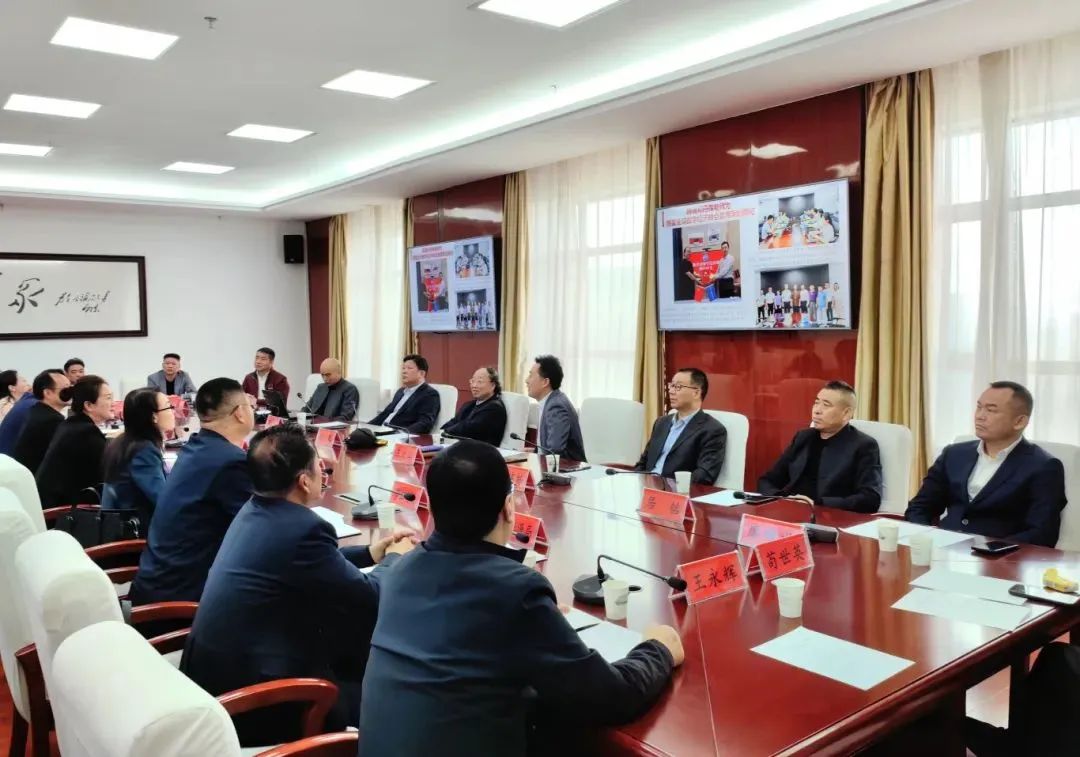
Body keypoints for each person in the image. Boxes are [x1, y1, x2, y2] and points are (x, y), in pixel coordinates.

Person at [359, 440, 682, 756]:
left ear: (432, 507)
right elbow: (609, 697)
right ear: (508, 508)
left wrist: (539, 623)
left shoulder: (399, 571)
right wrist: (658, 649)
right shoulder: (515, 591)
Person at [181, 425, 415, 744]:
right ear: (304, 481)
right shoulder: (303, 529)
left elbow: (311, 562)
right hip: (260, 702)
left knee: (349, 642)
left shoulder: (254, 509)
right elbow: (370, 597)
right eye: (320, 466)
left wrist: (371, 553)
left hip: (216, 676)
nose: (324, 472)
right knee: (387, 688)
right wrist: (396, 558)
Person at [130, 378, 255, 605]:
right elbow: (258, 527)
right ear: (239, 413)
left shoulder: (195, 447)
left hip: (157, 584)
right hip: (183, 600)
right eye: (250, 406)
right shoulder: (231, 462)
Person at [905, 381, 1066, 547]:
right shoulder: (954, 454)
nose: (980, 416)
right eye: (979, 407)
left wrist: (987, 551)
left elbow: (1042, 534)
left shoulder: (1044, 467)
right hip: (941, 549)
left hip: (999, 557)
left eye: (991, 410)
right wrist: (924, 539)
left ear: (1019, 421)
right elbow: (920, 507)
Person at [758, 380, 883, 513]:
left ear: (846, 413)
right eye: (816, 403)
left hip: (829, 516)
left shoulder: (864, 446)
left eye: (826, 405)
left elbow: (870, 499)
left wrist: (818, 503)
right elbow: (767, 481)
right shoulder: (803, 437)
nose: (817, 410)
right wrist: (783, 499)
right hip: (790, 510)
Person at [634, 368, 726, 484]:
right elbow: (643, 463)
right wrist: (635, 481)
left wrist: (670, 486)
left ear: (696, 393)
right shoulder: (661, 423)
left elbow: (704, 475)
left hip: (675, 490)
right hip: (646, 487)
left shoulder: (712, 430)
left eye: (678, 387)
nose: (671, 391)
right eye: (671, 386)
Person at [35, 376, 115, 508]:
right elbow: (111, 470)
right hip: (64, 511)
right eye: (108, 398)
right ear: (89, 405)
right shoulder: (86, 433)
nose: (113, 403)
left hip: (53, 504)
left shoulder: (71, 424)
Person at [101, 389, 175, 528]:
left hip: (120, 525)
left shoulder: (124, 442)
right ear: (154, 417)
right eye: (169, 406)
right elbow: (162, 499)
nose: (173, 412)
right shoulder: (144, 451)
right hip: (135, 529)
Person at [526, 355, 586, 462]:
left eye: (531, 376)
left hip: (566, 468)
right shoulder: (550, 401)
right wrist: (532, 452)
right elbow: (546, 447)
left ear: (545, 382)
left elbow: (554, 451)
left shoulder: (556, 406)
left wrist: (534, 458)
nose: (526, 380)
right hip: (551, 466)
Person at [11, 369, 72, 475]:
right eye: (66, 389)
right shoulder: (52, 420)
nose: (71, 392)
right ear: (47, 393)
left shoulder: (36, 410)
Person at [369, 355, 440, 433]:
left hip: (397, 435)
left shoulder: (430, 394)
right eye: (403, 368)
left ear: (422, 373)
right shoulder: (400, 391)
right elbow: (384, 414)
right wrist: (366, 427)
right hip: (382, 431)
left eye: (409, 368)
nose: (404, 371)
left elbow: (425, 423)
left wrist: (402, 433)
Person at [441, 367, 507, 446]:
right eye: (473, 381)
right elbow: (454, 422)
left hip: (481, 450)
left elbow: (468, 429)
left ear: (493, 385)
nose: (474, 385)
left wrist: (446, 431)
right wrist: (442, 431)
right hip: (462, 447)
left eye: (480, 382)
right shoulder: (470, 405)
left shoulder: (494, 408)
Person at [301, 358, 359, 422]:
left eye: (328, 375)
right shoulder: (320, 387)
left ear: (339, 372)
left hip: (331, 427)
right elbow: (307, 409)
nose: (324, 379)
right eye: (322, 375)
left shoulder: (349, 389)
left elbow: (345, 418)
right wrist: (298, 417)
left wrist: (321, 422)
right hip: (311, 424)